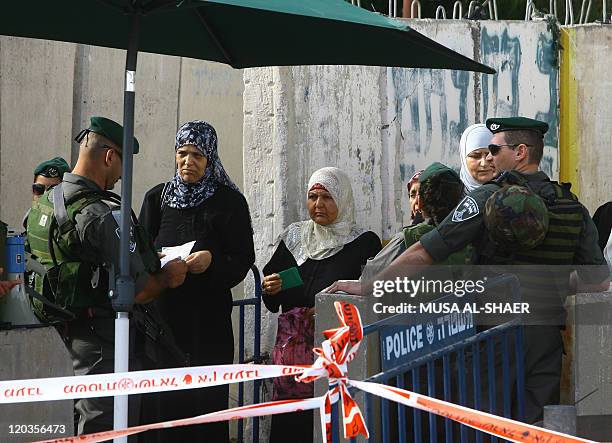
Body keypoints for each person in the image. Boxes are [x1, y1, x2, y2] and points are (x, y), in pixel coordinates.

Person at [329, 117, 610, 424]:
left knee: (486, 424)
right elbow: (596, 281)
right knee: (538, 428)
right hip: (544, 337)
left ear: (520, 152)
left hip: (493, 334)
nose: (489, 157)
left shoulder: (488, 196)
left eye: (494, 148)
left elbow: (428, 250)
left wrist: (367, 287)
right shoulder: (572, 206)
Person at [25, 116, 189, 436]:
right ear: (110, 157)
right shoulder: (99, 213)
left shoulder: (45, 202)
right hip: (101, 344)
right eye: (122, 165)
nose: (121, 175)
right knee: (105, 427)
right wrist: (169, 275)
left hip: (59, 333)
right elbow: (139, 291)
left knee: (73, 421)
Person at [138, 120, 255, 443]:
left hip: (208, 327)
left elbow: (243, 259)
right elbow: (140, 254)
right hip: (163, 326)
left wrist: (212, 262)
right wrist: (160, 263)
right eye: (182, 153)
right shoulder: (157, 199)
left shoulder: (229, 203)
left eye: (197, 156)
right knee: (163, 410)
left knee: (205, 410)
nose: (188, 162)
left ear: (211, 158)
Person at [261, 167, 381, 443]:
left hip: (337, 355)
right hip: (293, 361)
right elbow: (270, 298)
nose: (318, 205)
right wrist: (271, 287)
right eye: (312, 197)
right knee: (292, 427)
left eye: (327, 197)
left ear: (343, 199)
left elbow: (373, 295)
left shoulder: (362, 243)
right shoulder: (294, 239)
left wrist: (330, 310)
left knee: (330, 425)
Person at [361, 162, 465, 276]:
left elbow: (368, 277)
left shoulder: (406, 238)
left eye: (420, 194)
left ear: (420, 202)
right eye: (412, 195)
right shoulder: (470, 232)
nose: (415, 201)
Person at [23, 156, 71, 228]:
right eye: (38, 189)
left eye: (52, 191)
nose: (45, 195)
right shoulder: (29, 219)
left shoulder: (69, 222)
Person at [459, 123, 495, 193]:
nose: (484, 164)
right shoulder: (450, 195)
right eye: (476, 156)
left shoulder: (511, 193)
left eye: (490, 155)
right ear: (463, 158)